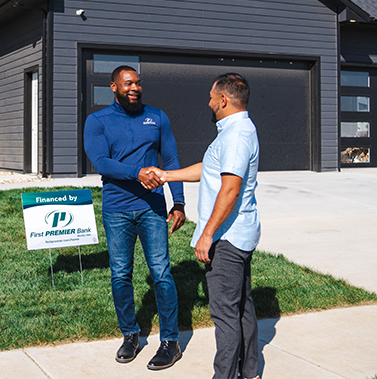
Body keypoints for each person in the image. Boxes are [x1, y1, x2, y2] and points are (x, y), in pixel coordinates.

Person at [148, 73, 261, 379]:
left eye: (212, 97)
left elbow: (230, 189)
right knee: (241, 307)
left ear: (223, 100)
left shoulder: (236, 135)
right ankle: (250, 372)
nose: (209, 102)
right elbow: (210, 170)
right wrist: (167, 175)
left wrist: (207, 234)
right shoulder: (235, 131)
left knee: (225, 314)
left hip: (228, 238)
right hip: (241, 233)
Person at [83, 65, 186, 370]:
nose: (135, 88)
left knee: (161, 272)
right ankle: (130, 335)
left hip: (153, 208)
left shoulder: (157, 117)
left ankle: (170, 341)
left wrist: (178, 202)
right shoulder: (97, 120)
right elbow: (101, 162)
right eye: (128, 83)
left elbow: (170, 160)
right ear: (113, 87)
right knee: (120, 274)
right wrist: (137, 173)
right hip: (117, 209)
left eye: (138, 83)